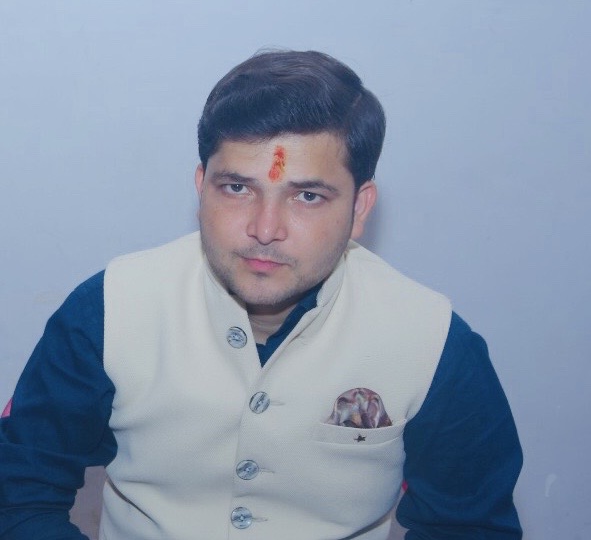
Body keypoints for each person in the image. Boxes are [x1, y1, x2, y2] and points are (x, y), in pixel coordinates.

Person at [0, 50, 522, 539]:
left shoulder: (433, 342)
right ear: (201, 186)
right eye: (237, 188)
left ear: (360, 208)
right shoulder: (108, 310)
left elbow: (470, 527)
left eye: (308, 196)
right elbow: (20, 494)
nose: (265, 229)